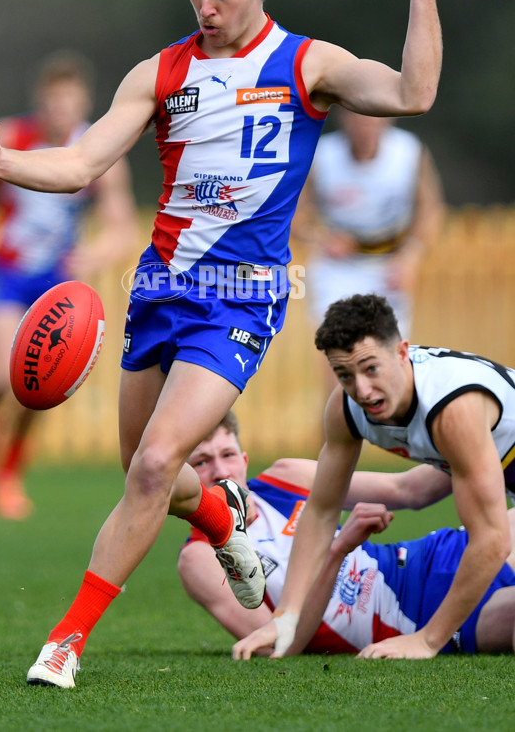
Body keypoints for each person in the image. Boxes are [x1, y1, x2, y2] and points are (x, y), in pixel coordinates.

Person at [0, 0, 441, 688]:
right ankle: (224, 515)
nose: (206, 7)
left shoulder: (308, 64)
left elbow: (414, 94)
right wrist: (5, 166)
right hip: (161, 289)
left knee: (157, 461)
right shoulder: (160, 72)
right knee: (145, 472)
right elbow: (80, 164)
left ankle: (65, 642)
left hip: (242, 296)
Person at [233, 293, 515, 661]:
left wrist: (427, 641)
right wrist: (286, 615)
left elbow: (492, 539)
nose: (361, 390)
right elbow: (321, 510)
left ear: (402, 352)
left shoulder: (453, 411)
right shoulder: (346, 409)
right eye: (345, 375)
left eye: (370, 368)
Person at [0, 50, 139, 520]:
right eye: (55, 101)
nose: (63, 111)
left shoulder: (99, 154)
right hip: (7, 269)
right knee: (1, 377)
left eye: (71, 103)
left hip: (56, 281)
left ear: (84, 104)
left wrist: (94, 255)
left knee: (33, 388)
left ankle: (10, 475)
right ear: (43, 100)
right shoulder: (13, 135)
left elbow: (122, 229)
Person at [181, 416, 515, 656]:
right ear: (184, 478)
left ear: (244, 460)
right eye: (201, 462)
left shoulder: (285, 477)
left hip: (433, 556)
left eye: (227, 455)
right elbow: (279, 643)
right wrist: (338, 548)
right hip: (418, 617)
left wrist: (491, 442)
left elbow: (407, 489)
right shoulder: (199, 556)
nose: (222, 472)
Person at [293, 108, 445, 340]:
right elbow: (296, 214)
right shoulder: (323, 154)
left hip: (389, 263)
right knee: (335, 346)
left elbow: (430, 210)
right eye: (356, 115)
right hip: (337, 267)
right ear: (343, 118)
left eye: (372, 116)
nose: (364, 124)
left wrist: (411, 256)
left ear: (389, 118)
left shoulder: (409, 152)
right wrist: (321, 238)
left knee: (389, 351)